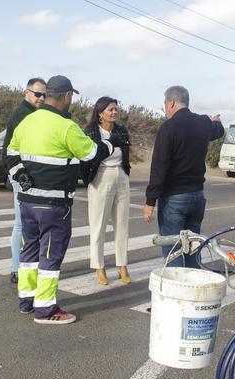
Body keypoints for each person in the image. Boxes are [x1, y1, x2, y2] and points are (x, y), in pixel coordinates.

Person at [5, 75, 121, 324]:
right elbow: (91, 153)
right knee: (50, 255)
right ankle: (45, 309)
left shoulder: (27, 121)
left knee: (30, 252)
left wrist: (21, 175)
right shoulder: (66, 126)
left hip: (27, 202)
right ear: (67, 96)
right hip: (54, 204)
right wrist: (111, 145)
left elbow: (10, 153)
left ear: (47, 95)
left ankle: (26, 300)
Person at [144, 85, 224, 267]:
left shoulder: (168, 128)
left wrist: (150, 201)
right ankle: (194, 291)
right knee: (192, 251)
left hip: (174, 200)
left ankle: (178, 293)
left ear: (171, 102)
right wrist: (216, 122)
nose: (165, 108)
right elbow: (218, 131)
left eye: (165, 104)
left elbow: (159, 167)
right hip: (197, 197)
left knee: (174, 252)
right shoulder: (203, 123)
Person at [81, 97, 132, 286]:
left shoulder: (121, 131)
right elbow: (86, 157)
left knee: (122, 224)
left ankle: (122, 265)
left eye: (116, 109)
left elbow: (126, 154)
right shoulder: (91, 132)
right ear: (100, 112)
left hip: (121, 175)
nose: (114, 112)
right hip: (100, 177)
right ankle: (99, 267)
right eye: (110, 109)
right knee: (99, 225)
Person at [2, 77, 45, 286]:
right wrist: (19, 174)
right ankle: (17, 269)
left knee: (24, 221)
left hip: (24, 173)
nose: (41, 98)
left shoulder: (33, 114)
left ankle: (20, 267)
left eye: (44, 94)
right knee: (21, 222)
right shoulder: (23, 114)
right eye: (37, 94)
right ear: (26, 93)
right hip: (21, 174)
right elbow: (15, 149)